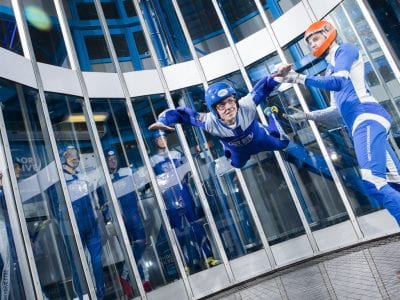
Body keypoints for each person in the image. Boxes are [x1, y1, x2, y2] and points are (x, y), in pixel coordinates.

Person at [276, 20, 400, 225]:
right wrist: (307, 116)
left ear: (329, 33)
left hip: (366, 117)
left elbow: (339, 82)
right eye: (309, 43)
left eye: (315, 38)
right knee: (395, 183)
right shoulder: (329, 69)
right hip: (361, 122)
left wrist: (297, 78)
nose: (313, 44)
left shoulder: (344, 50)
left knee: (373, 182)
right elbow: (336, 112)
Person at [148, 65, 292, 169]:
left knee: (284, 142)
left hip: (260, 137)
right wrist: (163, 121)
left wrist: (278, 75)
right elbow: (183, 114)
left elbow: (263, 88)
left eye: (230, 101)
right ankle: (228, 146)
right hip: (238, 151)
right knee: (236, 164)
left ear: (235, 100)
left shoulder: (246, 105)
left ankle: (270, 114)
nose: (228, 107)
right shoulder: (209, 121)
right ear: (214, 110)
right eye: (221, 105)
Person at [150, 130, 219, 272]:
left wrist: (186, 177)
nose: (163, 140)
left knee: (195, 225)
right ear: (155, 141)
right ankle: (184, 264)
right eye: (159, 138)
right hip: (169, 197)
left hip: (184, 193)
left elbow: (187, 171)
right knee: (178, 231)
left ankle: (208, 257)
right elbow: (152, 182)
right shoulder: (153, 160)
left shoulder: (177, 154)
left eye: (164, 137)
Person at [100, 148, 151, 295]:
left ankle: (124, 276)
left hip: (134, 215)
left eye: (114, 157)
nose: (112, 160)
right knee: (130, 249)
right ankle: (143, 281)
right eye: (109, 159)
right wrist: (109, 220)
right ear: (105, 161)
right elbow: (103, 203)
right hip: (120, 220)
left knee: (140, 244)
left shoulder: (127, 171)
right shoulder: (104, 180)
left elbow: (142, 184)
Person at [61, 145, 105, 299]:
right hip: (73, 228)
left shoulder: (84, 176)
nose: (74, 157)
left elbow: (98, 197)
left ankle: (100, 294)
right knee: (78, 264)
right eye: (69, 155)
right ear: (63, 158)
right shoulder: (60, 180)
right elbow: (55, 205)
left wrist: (103, 217)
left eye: (75, 154)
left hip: (91, 225)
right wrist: (65, 224)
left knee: (97, 260)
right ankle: (83, 296)